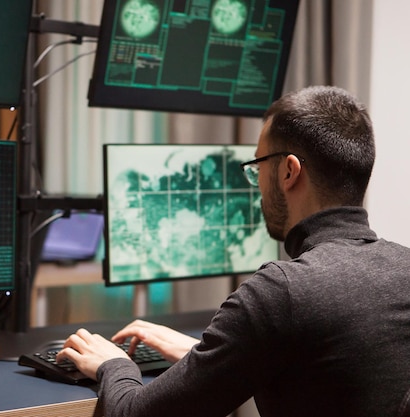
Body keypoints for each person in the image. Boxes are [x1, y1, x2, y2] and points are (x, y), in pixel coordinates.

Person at [56, 85, 410, 417]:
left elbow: (132, 414)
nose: (256, 182)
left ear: (289, 171)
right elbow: (331, 381)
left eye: (258, 166)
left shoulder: (281, 292)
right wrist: (217, 359)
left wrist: (113, 364)